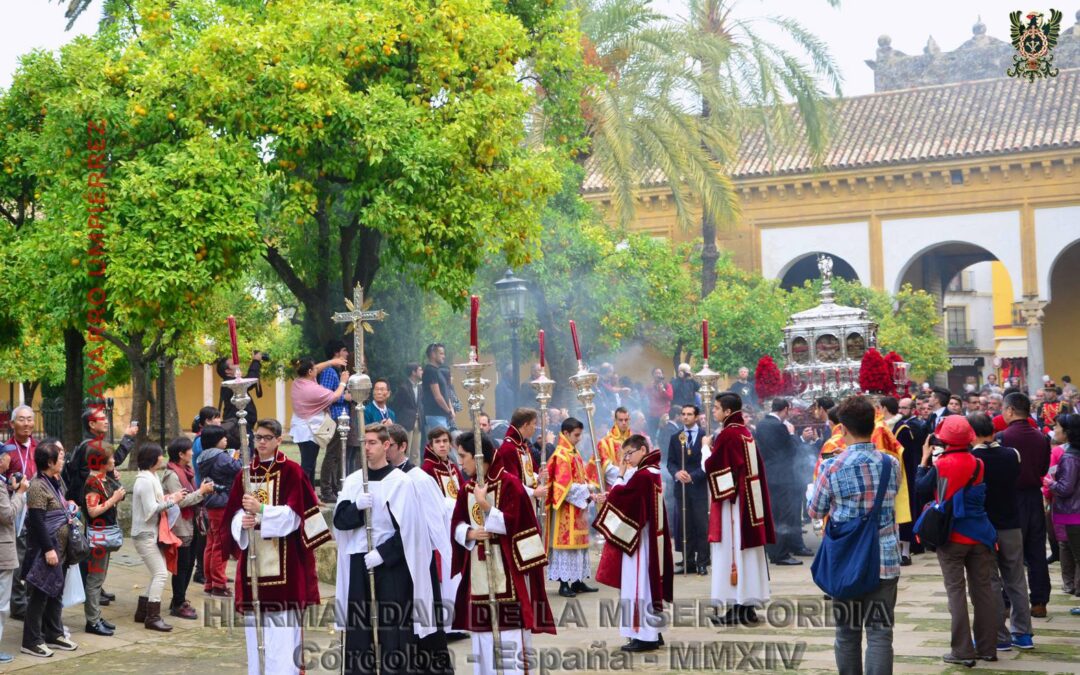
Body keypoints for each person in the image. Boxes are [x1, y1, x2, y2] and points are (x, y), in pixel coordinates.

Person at [221, 418, 332, 675]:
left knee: (282, 639)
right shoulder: (245, 474)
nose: (261, 442)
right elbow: (232, 516)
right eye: (257, 437)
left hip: (285, 568)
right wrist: (243, 521)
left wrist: (261, 511)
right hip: (254, 569)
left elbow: (296, 517)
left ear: (279, 440)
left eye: (267, 438)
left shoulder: (291, 471)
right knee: (255, 637)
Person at [333, 423, 445, 674]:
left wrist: (383, 554)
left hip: (391, 567)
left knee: (392, 628)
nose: (367, 448)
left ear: (386, 446)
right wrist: (357, 508)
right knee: (361, 627)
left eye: (372, 443)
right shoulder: (353, 481)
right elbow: (340, 522)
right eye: (364, 443)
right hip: (359, 564)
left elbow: (410, 532)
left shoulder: (401, 483)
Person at [807, 395, 900, 675]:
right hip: (884, 556)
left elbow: (816, 510)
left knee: (847, 634)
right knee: (880, 633)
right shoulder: (890, 464)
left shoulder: (831, 466)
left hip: (846, 561)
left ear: (843, 428)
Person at [451, 431, 555, 674]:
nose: (460, 462)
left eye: (463, 456)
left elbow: (520, 525)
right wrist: (468, 533)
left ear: (479, 457)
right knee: (482, 639)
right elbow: (456, 522)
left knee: (509, 641)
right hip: (479, 575)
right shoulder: (467, 487)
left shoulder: (509, 483)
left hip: (507, 572)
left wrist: (487, 506)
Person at [914, 416, 998, 667]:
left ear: (945, 439)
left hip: (951, 537)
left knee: (956, 592)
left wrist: (924, 459)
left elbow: (920, 488)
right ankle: (987, 648)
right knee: (983, 591)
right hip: (980, 535)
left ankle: (962, 651)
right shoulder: (978, 463)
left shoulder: (942, 465)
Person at [593, 434, 673, 652]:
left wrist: (618, 476)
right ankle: (652, 633)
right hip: (647, 538)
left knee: (637, 587)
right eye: (623, 455)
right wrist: (611, 494)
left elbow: (622, 497)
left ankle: (643, 636)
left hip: (638, 540)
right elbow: (624, 495)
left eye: (629, 453)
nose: (626, 459)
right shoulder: (650, 473)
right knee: (647, 586)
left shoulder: (643, 476)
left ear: (643, 450)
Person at [386, 421, 455, 659]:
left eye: (389, 445)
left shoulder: (418, 477)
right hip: (391, 564)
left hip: (416, 560)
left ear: (402, 446)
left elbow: (435, 521)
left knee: (423, 624)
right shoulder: (379, 476)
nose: (384, 450)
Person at [705, 392, 774, 626]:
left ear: (727, 412)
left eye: (716, 408)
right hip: (749, 505)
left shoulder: (728, 434)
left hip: (734, 506)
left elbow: (715, 467)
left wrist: (706, 449)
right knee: (747, 555)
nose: (713, 412)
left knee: (732, 552)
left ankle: (737, 606)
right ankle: (748, 607)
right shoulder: (745, 432)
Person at [969, 414, 1033, 651]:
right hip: (1012, 523)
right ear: (993, 431)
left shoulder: (973, 459)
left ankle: (999, 636)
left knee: (990, 582)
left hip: (985, 526)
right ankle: (1024, 633)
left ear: (972, 434)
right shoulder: (1012, 454)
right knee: (1016, 578)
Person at [20, 439, 78, 658]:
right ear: (50, 461)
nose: (63, 459)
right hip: (47, 551)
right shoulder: (37, 486)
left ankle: (54, 633)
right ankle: (31, 640)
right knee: (40, 595)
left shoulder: (56, 480)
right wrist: (48, 550)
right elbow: (37, 521)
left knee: (56, 592)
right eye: (60, 456)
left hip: (62, 550)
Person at [998, 391, 1052, 618]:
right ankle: (1039, 601)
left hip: (1011, 498)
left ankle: (1008, 600)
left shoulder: (1003, 437)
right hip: (1033, 497)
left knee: (1011, 553)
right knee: (1036, 550)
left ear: (1010, 410)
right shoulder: (1041, 437)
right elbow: (1043, 470)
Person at [132, 443, 185, 633]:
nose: (162, 457)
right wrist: (173, 501)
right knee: (161, 574)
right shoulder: (145, 481)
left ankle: (142, 611)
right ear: (153, 459)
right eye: (160, 455)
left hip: (150, 533)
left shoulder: (151, 476)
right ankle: (152, 617)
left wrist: (172, 498)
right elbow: (150, 510)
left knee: (158, 573)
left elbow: (157, 503)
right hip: (144, 534)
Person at [162, 437, 215, 620]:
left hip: (190, 523)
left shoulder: (187, 470)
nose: (192, 453)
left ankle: (179, 599)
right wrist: (201, 492)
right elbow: (181, 501)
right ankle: (178, 603)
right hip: (180, 526)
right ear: (181, 454)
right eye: (189, 450)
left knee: (190, 563)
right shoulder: (172, 475)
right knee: (182, 566)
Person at [545, 417, 598, 597]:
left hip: (578, 509)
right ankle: (564, 584)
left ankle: (577, 581)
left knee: (579, 548)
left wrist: (590, 491)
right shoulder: (561, 456)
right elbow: (563, 487)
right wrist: (587, 489)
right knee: (565, 548)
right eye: (576, 435)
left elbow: (580, 478)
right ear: (566, 433)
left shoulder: (574, 453)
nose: (579, 438)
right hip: (565, 510)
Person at [756, 398, 809, 565]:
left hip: (769, 474)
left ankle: (775, 549)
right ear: (785, 409)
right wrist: (793, 434)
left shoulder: (762, 424)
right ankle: (780, 554)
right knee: (782, 516)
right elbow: (791, 451)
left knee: (773, 514)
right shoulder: (779, 426)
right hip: (781, 477)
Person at [288, 356, 349, 488]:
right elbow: (335, 396)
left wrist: (331, 362)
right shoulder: (313, 390)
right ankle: (302, 495)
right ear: (310, 372)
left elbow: (316, 368)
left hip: (300, 428)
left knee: (309, 463)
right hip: (309, 431)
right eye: (314, 368)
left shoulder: (298, 382)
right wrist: (343, 382)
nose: (317, 368)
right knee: (307, 466)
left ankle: (311, 497)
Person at [82, 446, 124, 637]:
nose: (114, 461)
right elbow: (92, 511)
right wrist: (114, 499)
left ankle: (96, 617)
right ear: (102, 462)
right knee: (95, 579)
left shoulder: (103, 479)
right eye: (111, 458)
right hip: (98, 535)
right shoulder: (92, 482)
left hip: (105, 533)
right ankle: (92, 620)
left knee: (99, 578)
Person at [196, 424, 242, 597]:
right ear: (216, 440)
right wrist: (239, 455)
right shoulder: (220, 457)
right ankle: (218, 584)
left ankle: (209, 582)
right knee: (221, 546)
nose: (226, 440)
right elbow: (239, 468)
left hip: (210, 502)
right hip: (222, 503)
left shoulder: (203, 456)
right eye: (223, 438)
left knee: (212, 543)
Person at [667, 404, 710, 575]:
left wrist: (694, 476)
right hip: (681, 488)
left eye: (690, 414)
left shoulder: (704, 436)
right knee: (686, 526)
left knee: (701, 525)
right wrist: (676, 473)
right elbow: (670, 461)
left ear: (697, 417)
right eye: (683, 414)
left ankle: (703, 561)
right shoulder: (676, 437)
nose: (685, 417)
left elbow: (707, 463)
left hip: (698, 487)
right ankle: (688, 560)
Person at [1045, 413, 1080, 618]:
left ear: (1067, 432)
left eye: (1057, 427)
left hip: (1073, 514)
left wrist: (1050, 482)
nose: (1054, 430)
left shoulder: (1069, 457)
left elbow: (1065, 489)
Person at [3, 405, 37, 622]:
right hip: (15, 509)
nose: (26, 424)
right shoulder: (6, 450)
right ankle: (18, 603)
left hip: (37, 508)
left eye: (30, 419)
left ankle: (32, 598)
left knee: (35, 556)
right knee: (18, 557)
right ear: (12, 423)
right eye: (22, 420)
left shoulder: (39, 446)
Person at [0, 443, 28, 663]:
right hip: (2, 552)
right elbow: (8, 515)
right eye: (7, 456)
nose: (10, 459)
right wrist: (19, 493)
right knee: (1, 605)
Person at [490, 408, 547, 507]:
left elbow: (527, 475)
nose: (536, 427)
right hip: (515, 505)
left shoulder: (521, 445)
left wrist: (538, 477)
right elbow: (512, 483)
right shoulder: (508, 449)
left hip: (527, 501)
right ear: (525, 425)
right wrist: (533, 492)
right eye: (534, 424)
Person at [317, 340, 350, 503]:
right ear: (337, 353)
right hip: (336, 417)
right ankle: (326, 489)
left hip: (341, 418)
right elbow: (326, 395)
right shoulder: (329, 371)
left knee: (337, 455)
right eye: (344, 351)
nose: (347, 354)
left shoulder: (335, 371)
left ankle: (335, 487)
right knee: (331, 455)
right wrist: (345, 397)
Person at [892, 397, 922, 564]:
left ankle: (906, 551)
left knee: (906, 510)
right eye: (900, 407)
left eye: (905, 408)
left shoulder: (906, 428)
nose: (902, 411)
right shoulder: (891, 426)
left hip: (906, 474)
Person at [217, 352, 266, 426]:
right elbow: (251, 379)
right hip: (238, 426)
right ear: (227, 371)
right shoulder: (231, 384)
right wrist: (256, 361)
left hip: (240, 423)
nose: (238, 365)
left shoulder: (230, 383)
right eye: (234, 364)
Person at [589, 407, 631, 490]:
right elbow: (608, 469)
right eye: (620, 420)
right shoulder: (605, 443)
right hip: (613, 487)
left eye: (626, 420)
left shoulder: (634, 440)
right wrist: (626, 475)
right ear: (615, 421)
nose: (623, 423)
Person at [392, 362, 425, 463]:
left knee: (416, 451)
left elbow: (419, 404)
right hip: (406, 423)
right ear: (413, 372)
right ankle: (404, 471)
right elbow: (396, 405)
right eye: (420, 370)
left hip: (418, 421)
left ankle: (416, 473)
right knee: (406, 450)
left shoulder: (420, 387)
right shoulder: (403, 388)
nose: (422, 372)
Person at [422, 343, 455, 433]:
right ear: (433, 354)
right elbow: (437, 396)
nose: (444, 356)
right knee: (440, 443)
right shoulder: (430, 371)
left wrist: (451, 409)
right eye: (441, 353)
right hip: (435, 415)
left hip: (442, 415)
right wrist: (448, 411)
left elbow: (445, 392)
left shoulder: (437, 371)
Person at [646, 368, 673, 441]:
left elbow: (670, 397)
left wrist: (663, 390)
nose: (658, 375)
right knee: (652, 434)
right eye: (656, 373)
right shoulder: (649, 386)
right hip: (653, 414)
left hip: (664, 415)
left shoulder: (667, 385)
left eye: (660, 373)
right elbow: (647, 397)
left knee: (665, 434)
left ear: (662, 375)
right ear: (653, 375)